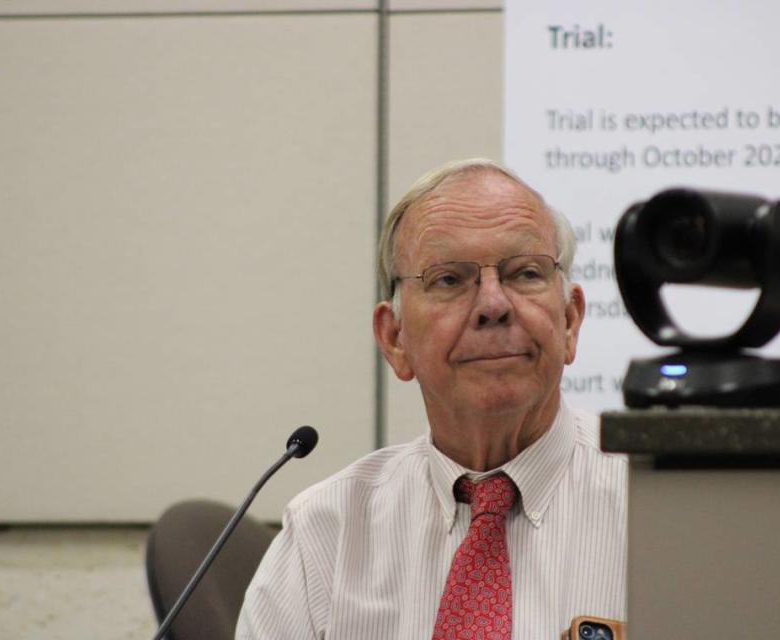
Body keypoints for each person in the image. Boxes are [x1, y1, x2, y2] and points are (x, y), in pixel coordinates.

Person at [236, 159, 627, 639]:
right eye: (448, 279)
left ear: (569, 322)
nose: (493, 305)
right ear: (395, 338)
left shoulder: (659, 509)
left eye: (524, 273)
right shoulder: (326, 536)